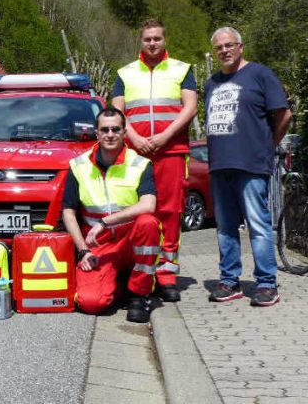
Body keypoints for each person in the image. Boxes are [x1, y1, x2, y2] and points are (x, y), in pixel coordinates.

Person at [205, 27, 292, 307]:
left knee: (258, 224)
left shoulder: (260, 74)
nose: (224, 51)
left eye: (229, 45)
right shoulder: (211, 83)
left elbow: (284, 113)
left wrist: (268, 147)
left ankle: (267, 284)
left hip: (251, 164)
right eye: (219, 47)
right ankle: (229, 281)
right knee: (225, 227)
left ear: (241, 46)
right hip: (220, 165)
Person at [112, 19, 197, 302]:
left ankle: (166, 276)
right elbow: (117, 113)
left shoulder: (181, 69)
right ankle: (137, 274)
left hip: (171, 151)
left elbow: (190, 107)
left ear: (165, 40)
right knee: (135, 213)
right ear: (141, 41)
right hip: (136, 153)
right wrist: (133, 138)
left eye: (157, 38)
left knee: (170, 213)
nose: (152, 43)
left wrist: (165, 136)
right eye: (148, 39)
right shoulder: (124, 73)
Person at [62, 107, 163, 323]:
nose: (110, 134)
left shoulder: (140, 164)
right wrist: (82, 251)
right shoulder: (78, 166)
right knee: (91, 303)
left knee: (148, 223)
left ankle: (139, 294)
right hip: (100, 246)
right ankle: (118, 284)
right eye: (105, 130)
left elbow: (149, 204)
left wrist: (105, 222)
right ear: (96, 133)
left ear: (124, 132)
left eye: (115, 129)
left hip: (131, 239)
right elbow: (68, 212)